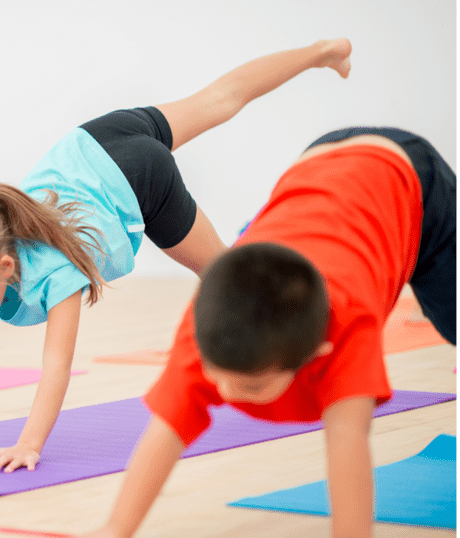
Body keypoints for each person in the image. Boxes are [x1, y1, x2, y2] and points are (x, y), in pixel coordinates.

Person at [0, 39, 354, 473]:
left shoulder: (52, 272)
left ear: (5, 267)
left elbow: (56, 366)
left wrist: (29, 445)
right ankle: (324, 51)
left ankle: (312, 300)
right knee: (219, 99)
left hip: (140, 177)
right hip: (94, 141)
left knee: (226, 274)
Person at [84, 127, 456, 538]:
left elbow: (348, 444)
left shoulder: (348, 327)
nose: (225, 393)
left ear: (318, 353)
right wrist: (115, 529)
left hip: (411, 180)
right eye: (214, 374)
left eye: (252, 385)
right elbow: (166, 428)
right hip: (319, 163)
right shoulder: (216, 319)